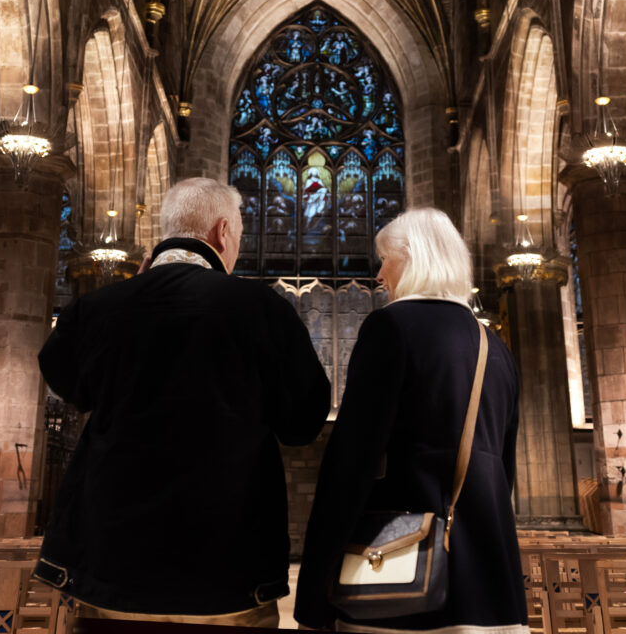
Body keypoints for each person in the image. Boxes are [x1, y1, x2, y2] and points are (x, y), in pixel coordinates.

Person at [36, 177, 331, 626]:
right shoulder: (259, 308)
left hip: (112, 562)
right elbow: (302, 422)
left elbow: (69, 384)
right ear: (222, 232)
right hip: (225, 565)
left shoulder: (99, 308)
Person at [295, 208, 525, 634]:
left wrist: (314, 593)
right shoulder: (493, 346)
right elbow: (503, 471)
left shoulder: (391, 327)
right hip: (489, 578)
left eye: (387, 258)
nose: (380, 274)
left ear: (415, 257)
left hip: (403, 576)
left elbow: (352, 463)